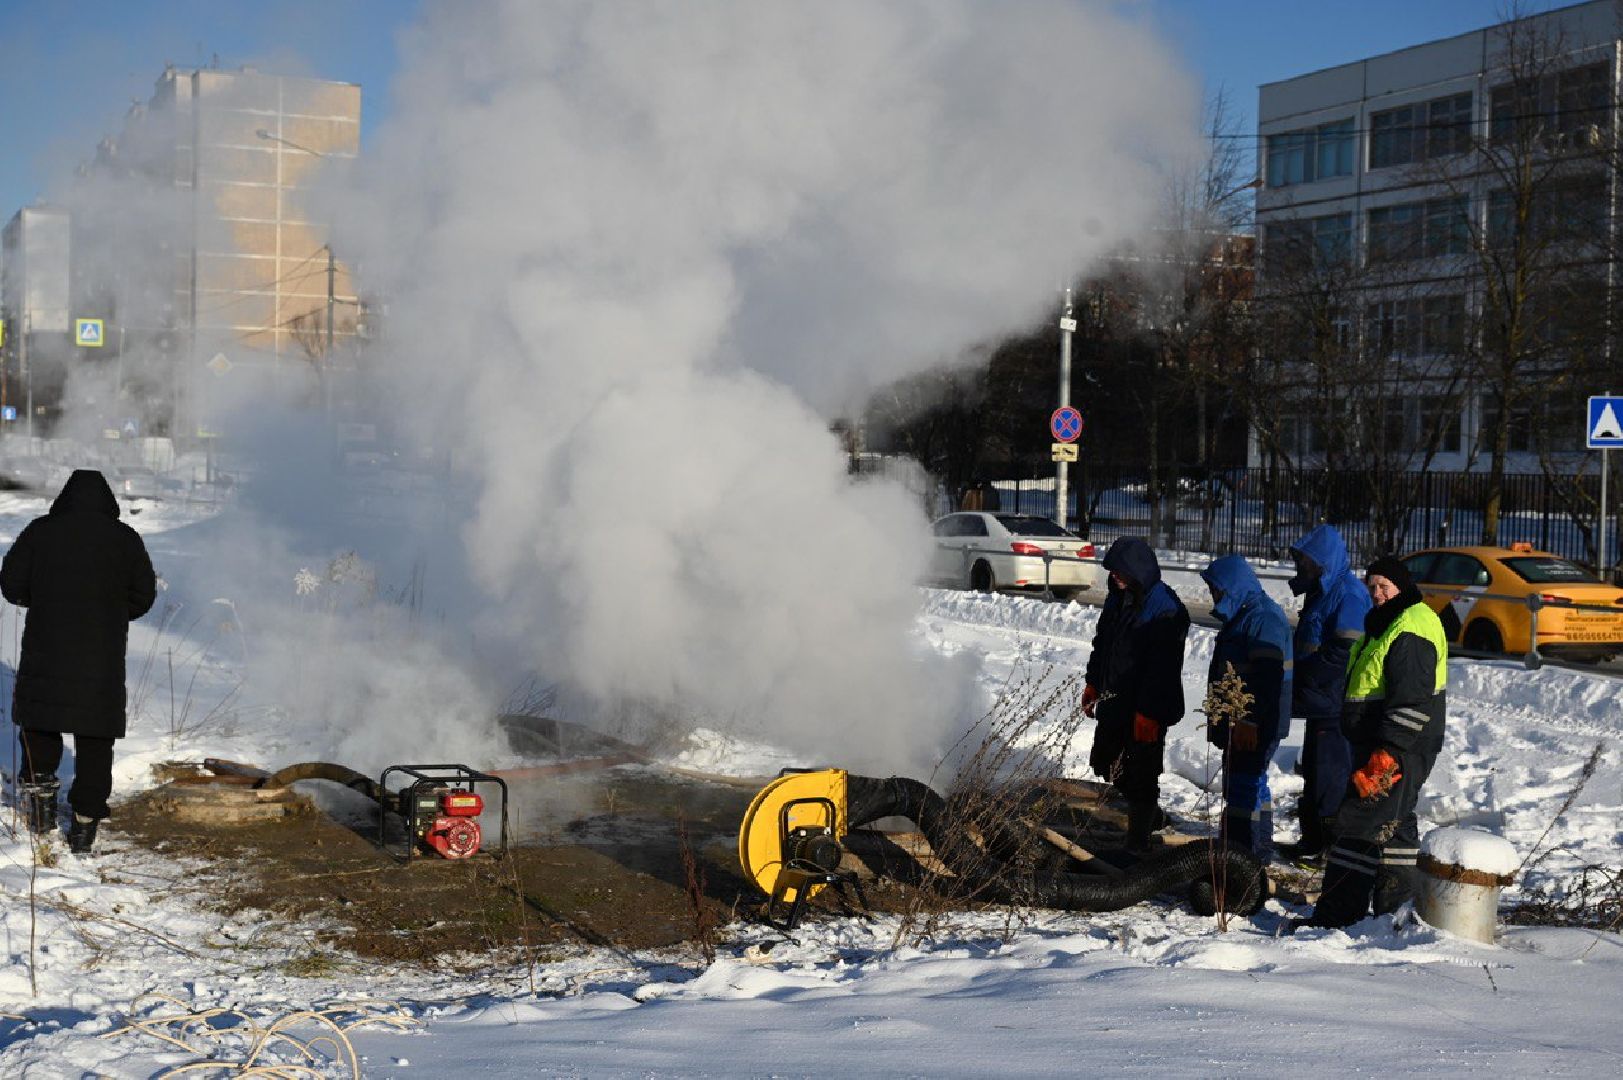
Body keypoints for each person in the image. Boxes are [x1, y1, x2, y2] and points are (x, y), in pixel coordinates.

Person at [2, 469, 157, 854]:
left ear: (64, 498)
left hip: (46, 649)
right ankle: (85, 824)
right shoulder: (125, 539)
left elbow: (10, 584)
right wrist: (112, 614)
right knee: (94, 738)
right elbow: (144, 596)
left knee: (40, 724)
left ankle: (41, 812)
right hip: (101, 657)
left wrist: (39, 601)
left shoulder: (40, 532)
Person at [1304, 556, 1447, 929]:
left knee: (1358, 823)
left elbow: (1412, 701)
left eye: (1385, 586)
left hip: (1398, 746)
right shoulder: (1387, 621)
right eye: (1372, 587)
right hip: (1383, 742)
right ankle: (1395, 910)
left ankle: (1337, 915)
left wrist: (1388, 753)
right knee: (1394, 825)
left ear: (1402, 586)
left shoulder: (1412, 627)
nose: (1377, 594)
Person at [1082, 536, 1191, 850]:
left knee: (1142, 772)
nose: (1115, 577)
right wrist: (1093, 683)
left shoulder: (1166, 610)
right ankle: (1146, 816)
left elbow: (1163, 670)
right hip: (1115, 699)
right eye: (1112, 571)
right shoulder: (1118, 597)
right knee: (1107, 762)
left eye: (1121, 571)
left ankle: (1139, 840)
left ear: (1138, 570)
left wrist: (1149, 712)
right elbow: (1103, 644)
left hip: (1147, 707)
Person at [1280, 524, 1371, 861]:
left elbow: (1345, 647)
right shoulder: (1322, 590)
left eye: (1306, 561)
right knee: (1314, 772)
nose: (1301, 567)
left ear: (1323, 561)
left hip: (1334, 701)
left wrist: (1309, 674)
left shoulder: (1346, 593)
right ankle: (1313, 841)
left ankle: (1330, 848)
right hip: (1318, 698)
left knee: (1330, 776)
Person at [1199, 554, 1292, 861]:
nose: (1213, 595)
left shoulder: (1262, 618)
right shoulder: (1244, 613)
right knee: (1254, 783)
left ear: (1232, 587)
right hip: (1242, 722)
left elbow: (1266, 679)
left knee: (1241, 790)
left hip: (1253, 724)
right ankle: (1259, 851)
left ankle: (1239, 858)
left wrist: (1249, 721)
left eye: (1217, 589)